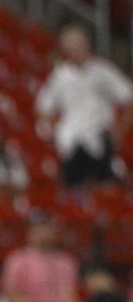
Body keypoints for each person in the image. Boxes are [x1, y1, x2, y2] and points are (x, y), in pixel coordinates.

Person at [36, 24, 133, 188]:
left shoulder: (103, 71)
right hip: (71, 143)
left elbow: (129, 98)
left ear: (87, 44)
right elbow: (43, 106)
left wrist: (120, 129)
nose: (75, 51)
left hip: (101, 139)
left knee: (106, 188)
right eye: (70, 47)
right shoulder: (60, 76)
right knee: (72, 191)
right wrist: (53, 130)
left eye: (78, 45)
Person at [1, 212, 78, 302]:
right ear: (30, 232)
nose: (43, 233)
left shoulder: (66, 262)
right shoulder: (17, 259)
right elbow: (10, 296)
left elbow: (68, 296)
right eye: (39, 229)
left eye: (47, 229)